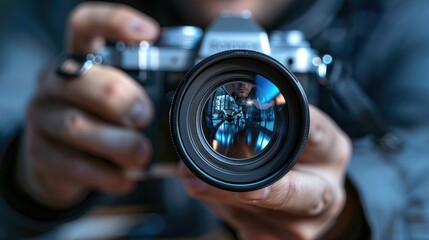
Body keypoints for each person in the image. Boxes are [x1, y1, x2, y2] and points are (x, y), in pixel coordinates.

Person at [0, 0, 429, 239]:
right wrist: (27, 178)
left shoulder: (400, 18)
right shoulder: (59, 15)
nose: (239, 113)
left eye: (256, 99)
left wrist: (349, 211)